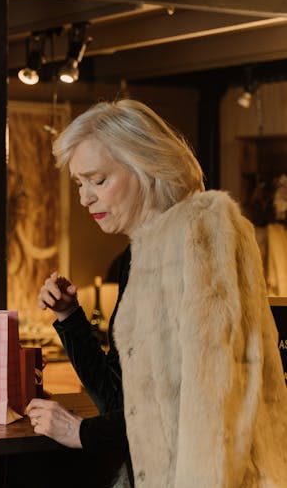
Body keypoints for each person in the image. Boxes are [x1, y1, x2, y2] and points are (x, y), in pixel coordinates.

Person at [25, 99, 287, 487]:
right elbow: (120, 400)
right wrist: (70, 318)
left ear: (145, 166)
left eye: (99, 180)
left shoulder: (203, 229)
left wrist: (82, 433)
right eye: (80, 183)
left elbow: (211, 398)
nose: (85, 198)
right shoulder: (140, 255)